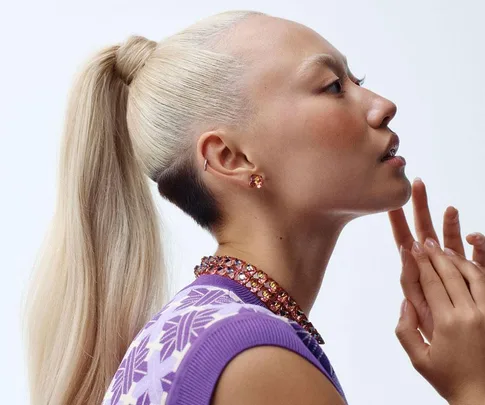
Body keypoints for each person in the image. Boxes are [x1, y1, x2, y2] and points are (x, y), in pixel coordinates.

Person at [22, 9, 485, 405]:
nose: (383, 106)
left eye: (357, 80)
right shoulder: (255, 362)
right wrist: (473, 383)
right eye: (332, 86)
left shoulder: (200, 335)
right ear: (231, 158)